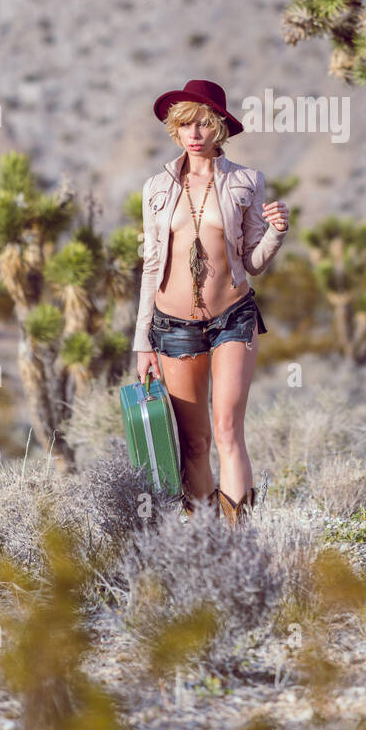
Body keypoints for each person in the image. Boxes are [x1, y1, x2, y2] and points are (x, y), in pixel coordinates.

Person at [133, 79, 289, 525]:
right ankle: (204, 543)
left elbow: (254, 262)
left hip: (232, 318)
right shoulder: (155, 188)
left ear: (219, 126)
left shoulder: (246, 181)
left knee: (226, 430)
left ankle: (239, 542)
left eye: (203, 122)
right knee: (195, 442)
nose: (195, 132)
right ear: (175, 130)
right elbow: (150, 267)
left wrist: (277, 232)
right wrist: (142, 343)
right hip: (172, 326)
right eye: (186, 124)